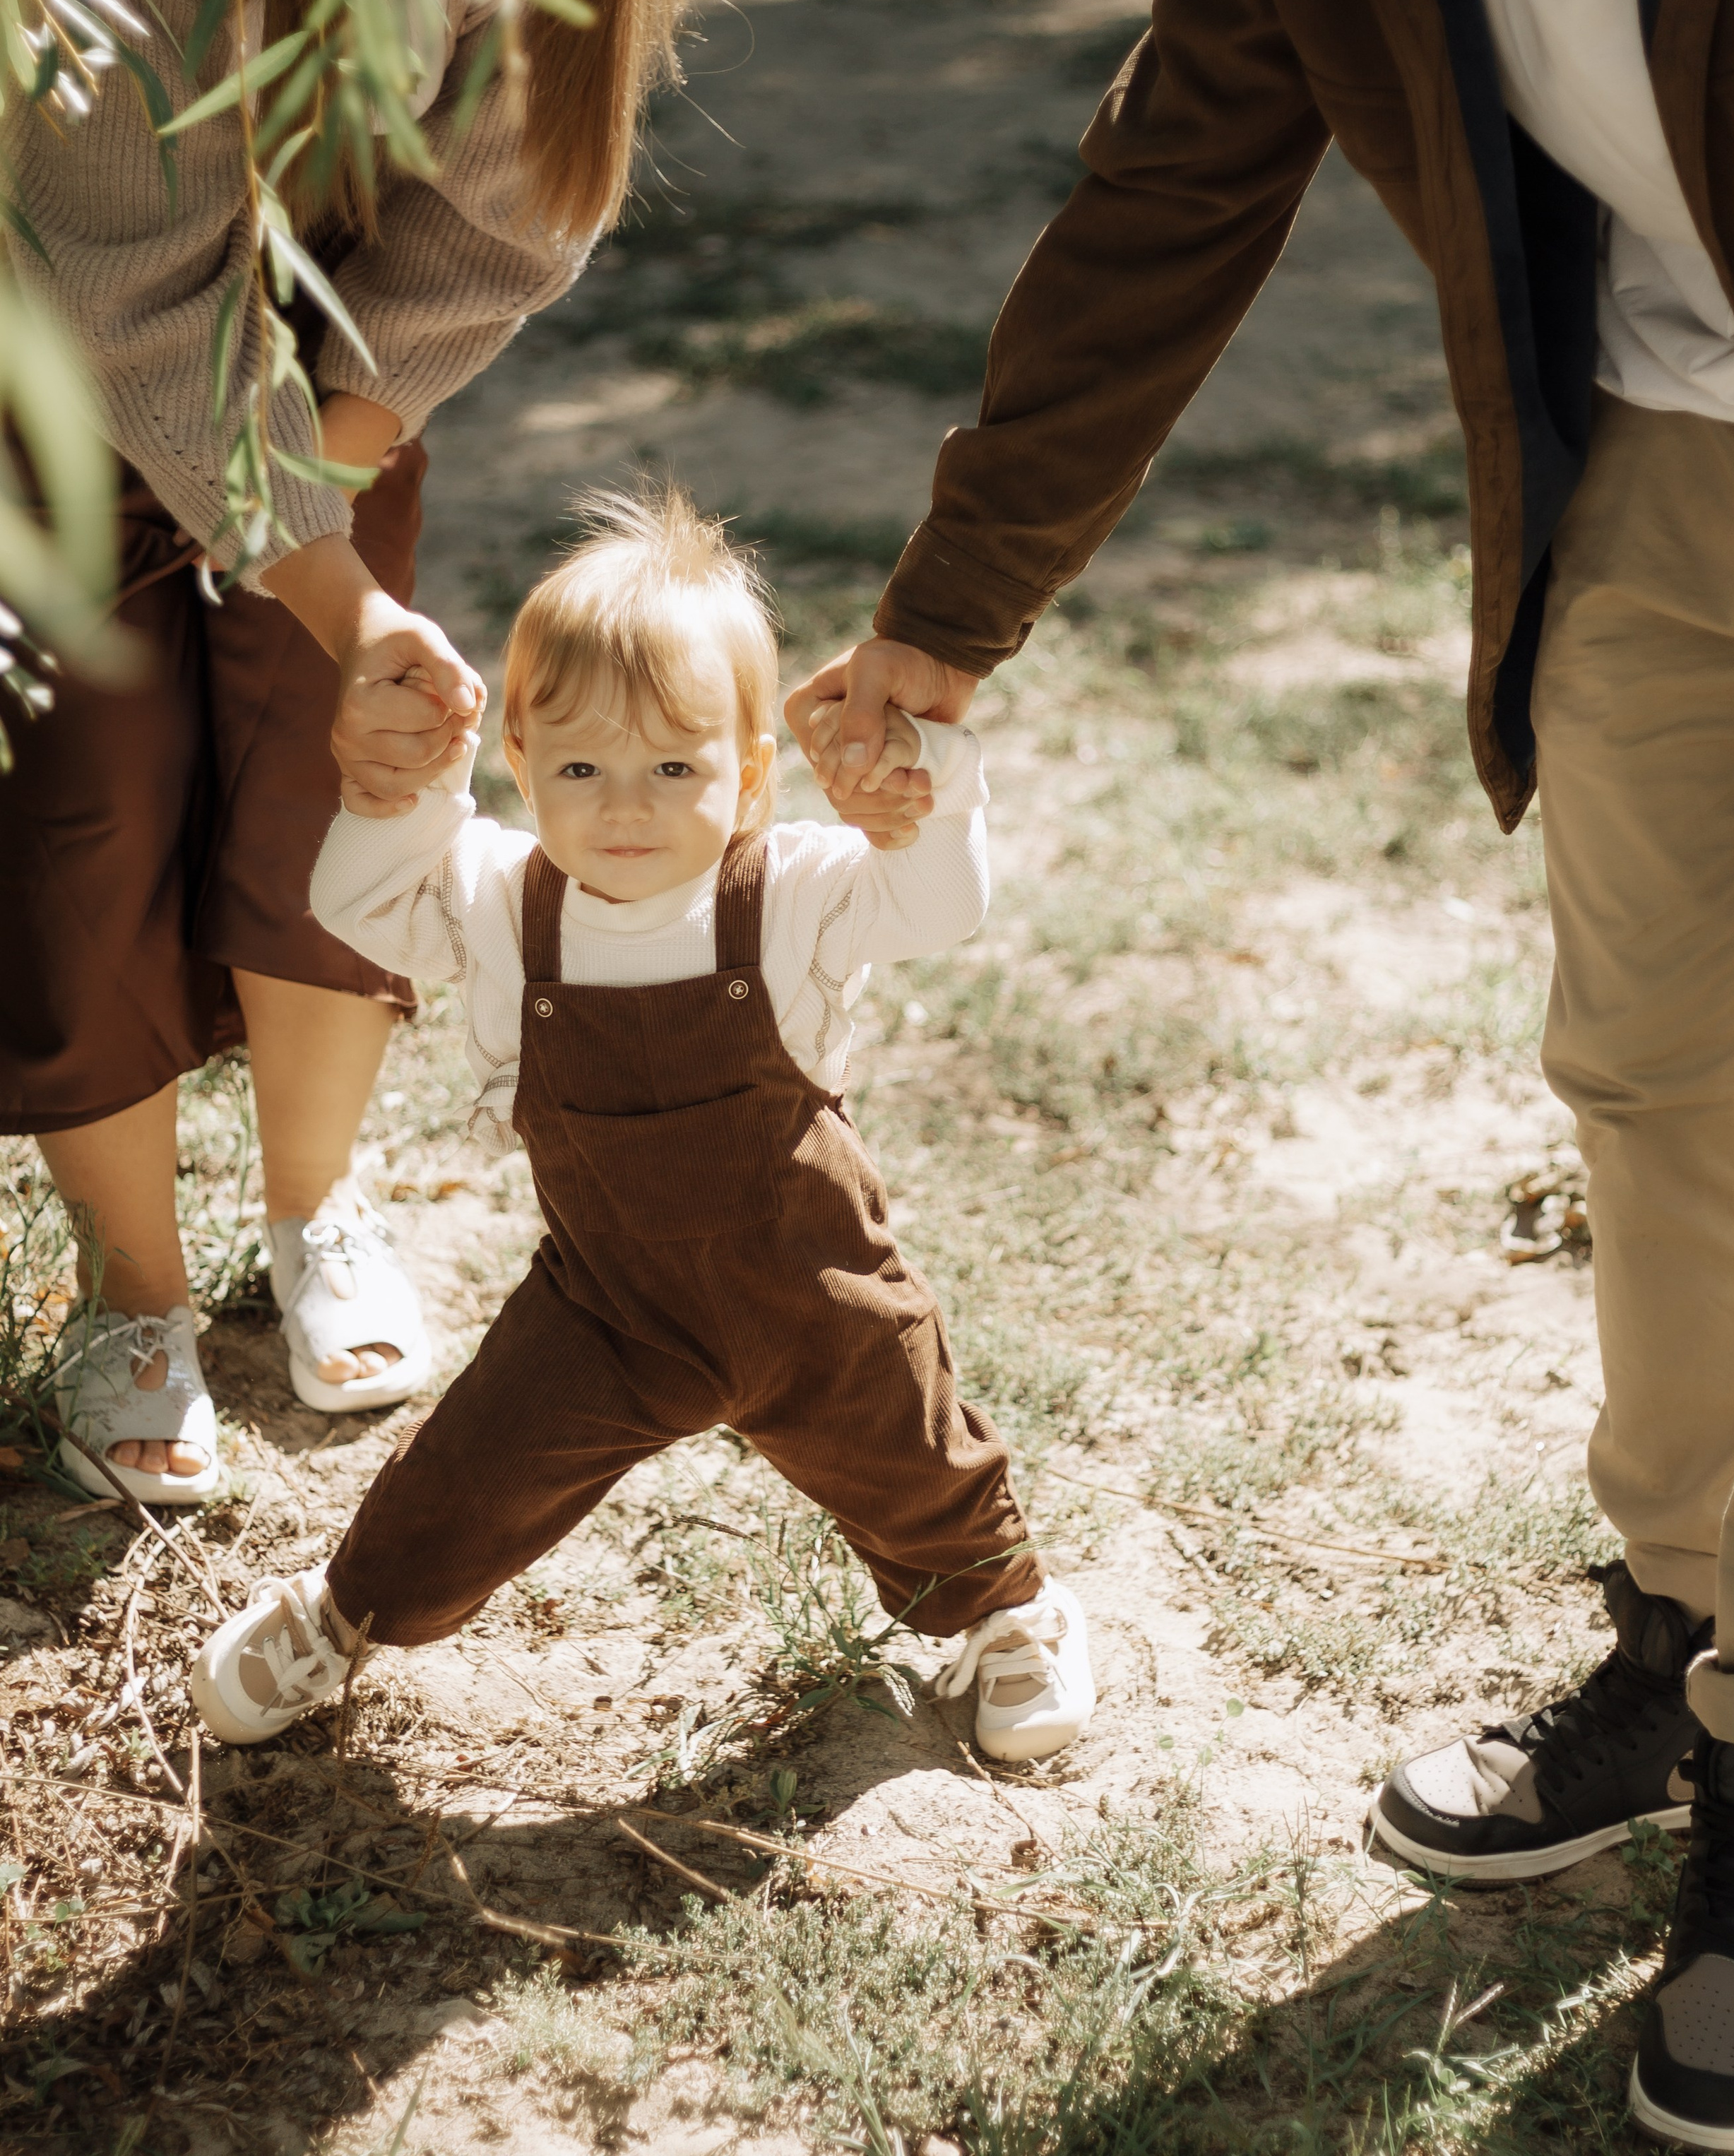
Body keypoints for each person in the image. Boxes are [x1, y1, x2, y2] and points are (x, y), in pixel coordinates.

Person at [787, 0, 1734, 2138]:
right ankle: (1687, 1634)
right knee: (1657, 1081)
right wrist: (942, 617)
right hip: (1654, 483)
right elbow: (1167, 202)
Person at [4, 0, 721, 1504]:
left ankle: (315, 1214)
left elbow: (510, 206)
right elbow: (123, 259)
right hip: (52, 367)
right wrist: (308, 565)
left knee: (347, 770)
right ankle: (128, 1287)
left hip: (326, 377)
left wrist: (322, 487)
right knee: (88, 805)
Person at [186, 488, 1095, 1766]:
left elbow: (938, 902)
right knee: (470, 1473)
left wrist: (928, 786)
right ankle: (345, 1615)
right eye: (579, 769)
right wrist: (400, 795)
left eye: (676, 768)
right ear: (514, 759)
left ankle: (1009, 1612)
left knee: (917, 1462)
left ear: (753, 771)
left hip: (812, 1290)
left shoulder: (793, 891)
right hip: (605, 1305)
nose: (625, 807)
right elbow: (355, 901)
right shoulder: (501, 898)